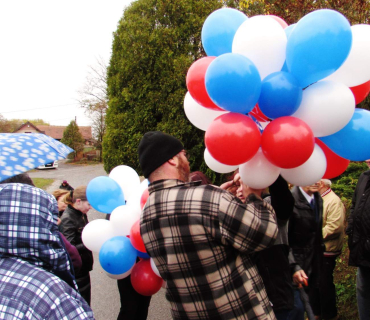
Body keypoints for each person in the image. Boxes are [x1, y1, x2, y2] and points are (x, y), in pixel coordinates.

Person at [138, 131, 278, 320]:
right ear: (172, 160)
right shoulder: (206, 198)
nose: (187, 161)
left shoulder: (146, 215)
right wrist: (254, 194)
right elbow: (265, 233)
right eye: (184, 155)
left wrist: (219, 200)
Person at [0, 182, 94, 319]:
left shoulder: (81, 215)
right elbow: (70, 252)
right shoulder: (50, 291)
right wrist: (87, 242)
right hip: (77, 277)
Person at [232, 172, 295, 320]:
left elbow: (284, 199)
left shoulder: (272, 207)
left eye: (246, 183)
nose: (241, 189)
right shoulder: (231, 213)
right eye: (237, 185)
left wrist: (271, 172)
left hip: (276, 299)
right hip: (245, 302)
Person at [105, 213, 152, 320]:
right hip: (126, 265)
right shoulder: (118, 210)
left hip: (146, 266)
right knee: (129, 307)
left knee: (143, 307)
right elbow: (110, 231)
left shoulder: (147, 206)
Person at [288, 182, 324, 320]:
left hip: (314, 263)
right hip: (297, 267)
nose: (316, 181)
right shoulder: (291, 201)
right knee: (298, 308)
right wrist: (293, 266)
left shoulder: (317, 198)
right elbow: (284, 239)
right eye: (311, 176)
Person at [59, 186, 94, 306]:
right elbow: (69, 248)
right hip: (77, 273)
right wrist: (89, 242)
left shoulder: (81, 213)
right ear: (78, 201)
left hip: (84, 269)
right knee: (82, 305)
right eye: (88, 204)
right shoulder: (68, 219)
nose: (90, 208)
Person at [317, 179, 345, 320]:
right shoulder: (319, 198)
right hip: (317, 249)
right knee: (316, 283)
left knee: (324, 284)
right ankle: (317, 313)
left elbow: (335, 227)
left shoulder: (333, 200)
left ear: (322, 183)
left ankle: (329, 315)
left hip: (328, 249)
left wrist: (314, 236)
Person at [346, 159, 370, 320]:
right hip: (362, 249)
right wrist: (351, 230)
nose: (367, 159)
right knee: (363, 291)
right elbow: (355, 205)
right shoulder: (364, 177)